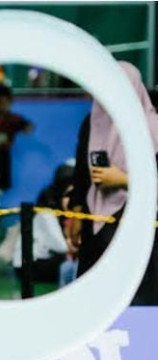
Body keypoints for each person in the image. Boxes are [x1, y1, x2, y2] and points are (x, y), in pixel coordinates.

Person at [66, 61, 158, 305]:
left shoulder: (152, 128)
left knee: (134, 301)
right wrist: (75, 213)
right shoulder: (93, 121)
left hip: (139, 228)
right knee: (94, 300)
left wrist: (124, 180)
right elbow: (81, 173)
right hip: (93, 224)